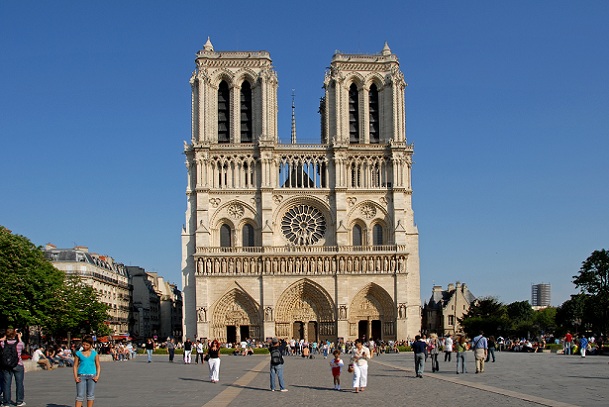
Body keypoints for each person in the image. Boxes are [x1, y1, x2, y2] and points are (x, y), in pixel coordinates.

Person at [1, 328, 26, 407]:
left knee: (6, 384)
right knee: (19, 383)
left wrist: (5, 337)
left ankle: (6, 402)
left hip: (6, 366)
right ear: (14, 335)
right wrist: (19, 337)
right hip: (18, 364)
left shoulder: (2, 343)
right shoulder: (19, 344)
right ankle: (19, 401)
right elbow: (23, 348)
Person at [73, 336, 100, 407]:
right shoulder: (78, 353)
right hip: (81, 376)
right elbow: (75, 365)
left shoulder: (95, 353)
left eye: (87, 345)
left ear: (91, 345)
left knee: (90, 395)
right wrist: (75, 376)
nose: (85, 346)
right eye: (83, 344)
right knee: (80, 395)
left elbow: (98, 365)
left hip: (92, 376)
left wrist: (97, 375)